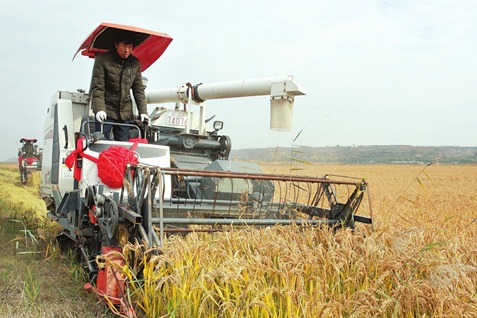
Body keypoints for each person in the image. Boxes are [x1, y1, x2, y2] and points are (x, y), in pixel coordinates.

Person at [90, 30, 150, 141]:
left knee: (123, 146)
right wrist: (99, 109)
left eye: (130, 47)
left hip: (125, 112)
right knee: (101, 142)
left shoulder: (135, 63)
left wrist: (143, 112)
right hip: (106, 109)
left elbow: (138, 90)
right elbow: (98, 87)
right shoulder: (102, 60)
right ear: (116, 44)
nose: (127, 50)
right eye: (124, 46)